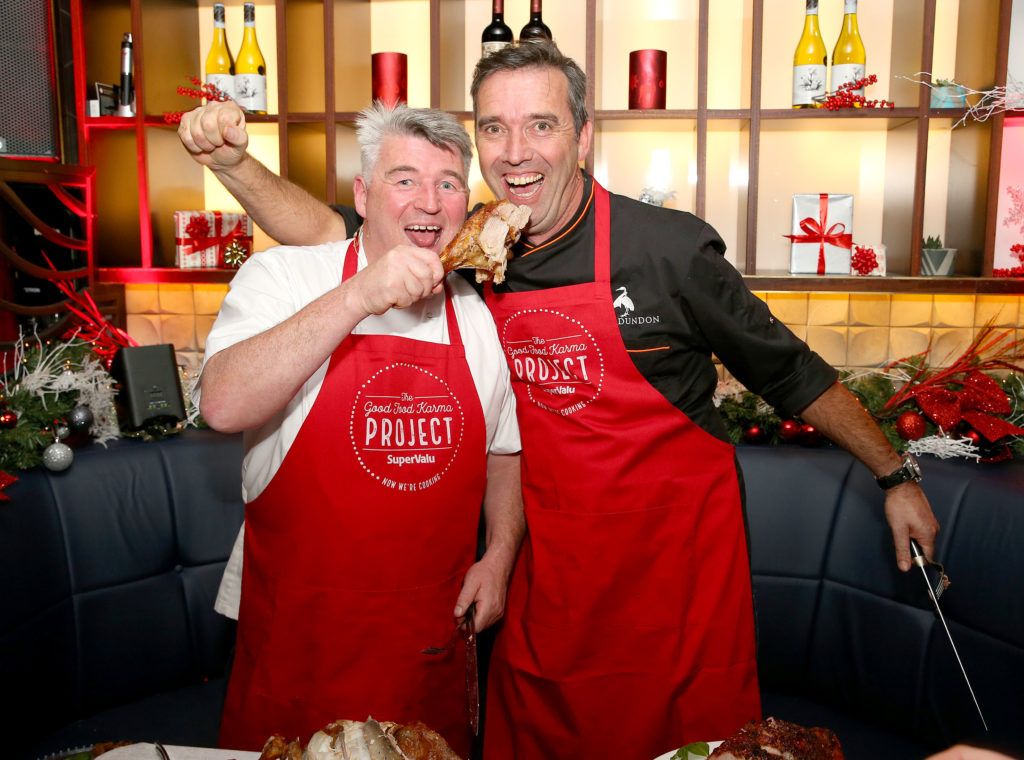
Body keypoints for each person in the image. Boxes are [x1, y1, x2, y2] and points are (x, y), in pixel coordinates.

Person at [180, 43, 939, 759]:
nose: (516, 152)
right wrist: (236, 167)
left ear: (581, 136)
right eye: (495, 129)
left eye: (541, 125)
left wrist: (894, 475)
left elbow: (792, 374)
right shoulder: (472, 246)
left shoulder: (669, 250)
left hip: (673, 585)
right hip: (550, 589)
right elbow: (336, 236)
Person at [193, 102, 522, 756]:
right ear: (363, 196)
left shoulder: (475, 314)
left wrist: (501, 556)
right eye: (404, 179)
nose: (428, 200)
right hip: (299, 655)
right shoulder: (285, 276)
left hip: (422, 663)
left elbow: (504, 452)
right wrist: (360, 295)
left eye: (449, 183)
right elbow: (222, 403)